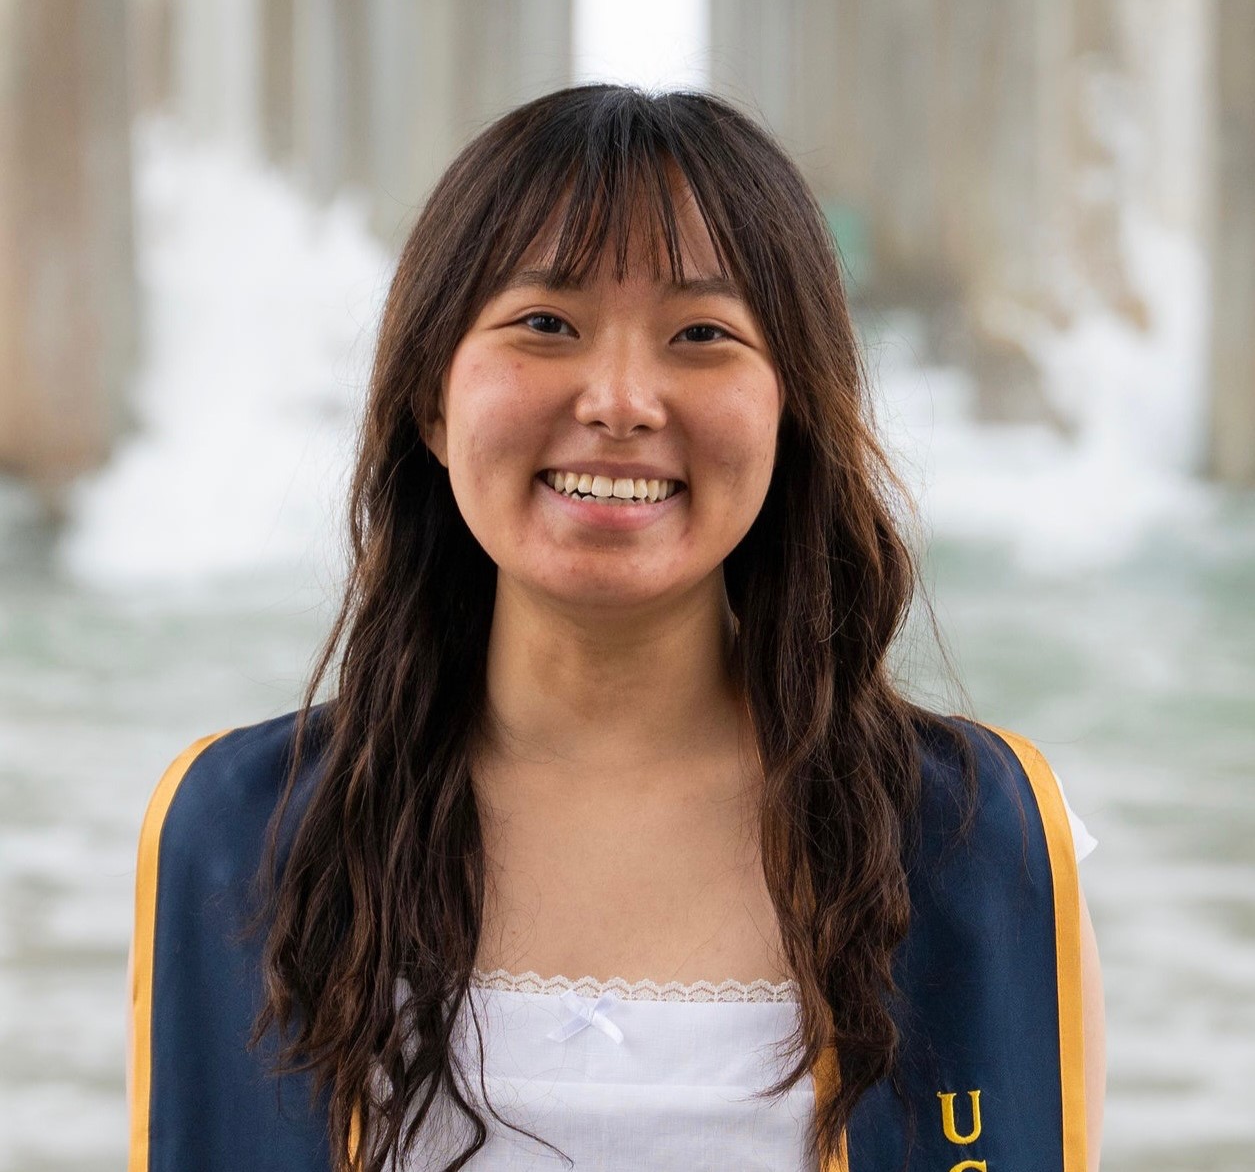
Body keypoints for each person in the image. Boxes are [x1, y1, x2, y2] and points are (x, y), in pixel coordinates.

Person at [127, 84, 1105, 1172]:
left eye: (701, 333)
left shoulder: (968, 839)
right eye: (546, 323)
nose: (622, 399)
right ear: (431, 402)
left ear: (791, 408)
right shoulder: (242, 833)